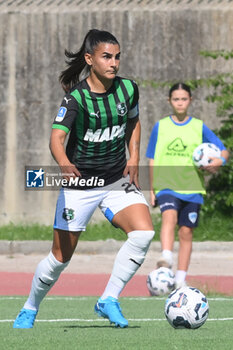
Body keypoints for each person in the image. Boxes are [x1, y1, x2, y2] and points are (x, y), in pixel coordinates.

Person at [13, 29, 154, 329]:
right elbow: (56, 139)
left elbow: (134, 122)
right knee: (60, 259)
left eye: (117, 57)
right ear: (90, 59)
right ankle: (29, 307)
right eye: (106, 57)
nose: (113, 63)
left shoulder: (129, 89)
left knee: (143, 234)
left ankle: (108, 299)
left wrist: (134, 158)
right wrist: (64, 164)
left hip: (116, 178)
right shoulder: (75, 98)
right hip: (81, 184)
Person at [146, 82, 229, 289]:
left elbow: (223, 150)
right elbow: (152, 159)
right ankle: (165, 259)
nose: (180, 103)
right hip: (167, 184)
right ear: (169, 101)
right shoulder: (161, 126)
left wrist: (219, 162)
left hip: (192, 187)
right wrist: (152, 188)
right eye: (176, 99)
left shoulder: (198, 126)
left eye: (184, 99)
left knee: (186, 232)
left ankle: (180, 280)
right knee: (169, 216)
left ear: (190, 101)